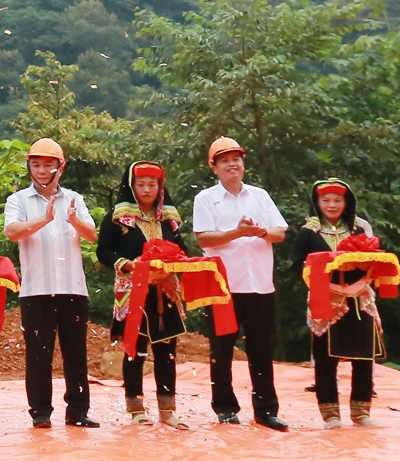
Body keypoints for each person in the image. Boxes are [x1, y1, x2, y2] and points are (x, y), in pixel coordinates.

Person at [191, 136, 289, 430]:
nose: (232, 164)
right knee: (221, 349)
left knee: (261, 348)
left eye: (236, 158)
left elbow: (280, 233)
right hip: (224, 286)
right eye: (224, 160)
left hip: (260, 283)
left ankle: (266, 409)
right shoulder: (206, 198)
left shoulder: (259, 195)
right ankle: (225, 407)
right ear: (214, 167)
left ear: (243, 163)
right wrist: (236, 233)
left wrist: (259, 233)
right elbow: (203, 238)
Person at [3, 138, 98, 429]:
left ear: (61, 166)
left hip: (72, 287)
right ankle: (41, 412)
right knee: (38, 353)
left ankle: (78, 411)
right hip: (36, 289)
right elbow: (12, 232)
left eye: (48, 165)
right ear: (29, 166)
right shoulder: (18, 200)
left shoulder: (74, 199)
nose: (42, 171)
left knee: (76, 352)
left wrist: (74, 221)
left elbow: (92, 234)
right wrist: (43, 220)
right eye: (36, 165)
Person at [95, 161, 189, 428]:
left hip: (165, 291)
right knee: (135, 351)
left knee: (167, 350)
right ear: (131, 186)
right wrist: (125, 263)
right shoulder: (117, 219)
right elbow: (104, 251)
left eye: (153, 184)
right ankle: (136, 409)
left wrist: (177, 260)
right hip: (132, 291)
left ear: (161, 187)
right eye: (141, 184)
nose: (147, 189)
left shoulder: (169, 221)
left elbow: (181, 249)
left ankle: (167, 411)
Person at [290, 179, 382, 427]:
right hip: (325, 297)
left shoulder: (358, 229)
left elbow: (372, 261)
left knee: (363, 356)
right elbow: (298, 265)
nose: (332, 205)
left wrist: (361, 271)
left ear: (346, 203)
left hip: (358, 297)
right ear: (317, 203)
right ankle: (330, 413)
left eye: (337, 200)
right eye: (326, 200)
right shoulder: (308, 232)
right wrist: (325, 273)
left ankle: (361, 412)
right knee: (325, 356)